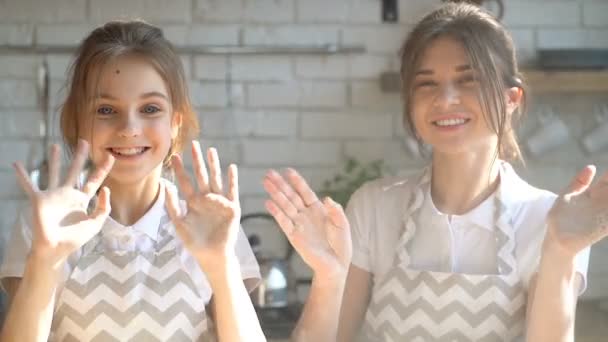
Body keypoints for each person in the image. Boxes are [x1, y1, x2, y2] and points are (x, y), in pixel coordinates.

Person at [263, 3, 608, 341]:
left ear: (511, 98)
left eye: (468, 80)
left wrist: (561, 250)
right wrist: (327, 275)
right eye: (426, 84)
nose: (445, 99)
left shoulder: (549, 219)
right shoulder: (374, 208)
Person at [0, 20, 264, 342]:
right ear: (77, 121)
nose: (129, 127)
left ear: (175, 124)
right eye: (106, 109)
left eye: (150, 108)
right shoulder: (43, 225)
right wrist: (44, 259)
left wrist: (221, 264)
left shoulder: (212, 225)